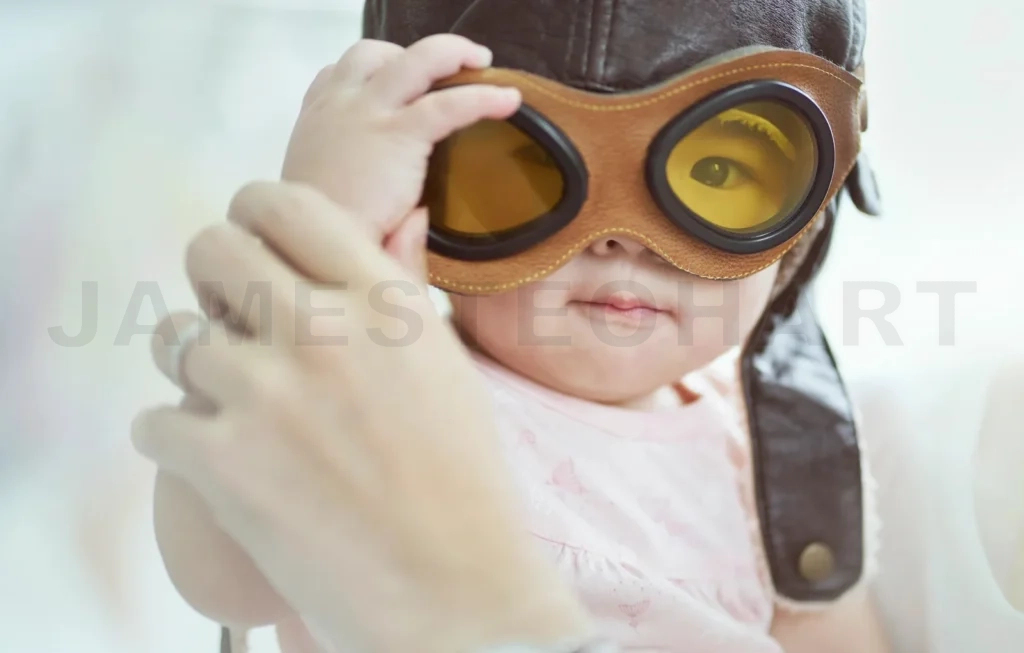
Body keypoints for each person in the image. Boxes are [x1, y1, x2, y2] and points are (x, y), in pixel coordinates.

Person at [132, 1, 891, 651]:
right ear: (415, 196)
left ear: (801, 231)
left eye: (716, 174)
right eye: (526, 165)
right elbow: (225, 578)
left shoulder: (783, 453)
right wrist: (321, 233)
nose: (620, 239)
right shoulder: (383, 388)